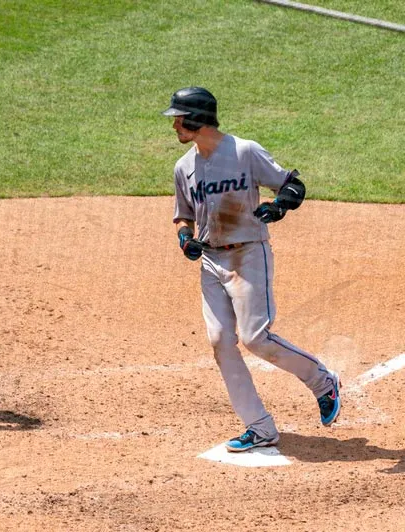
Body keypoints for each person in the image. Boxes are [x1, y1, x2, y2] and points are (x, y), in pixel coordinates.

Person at [162, 87, 342, 452]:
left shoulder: (244, 151)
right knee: (220, 341)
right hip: (211, 262)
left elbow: (292, 186)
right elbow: (183, 216)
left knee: (255, 337)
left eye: (179, 118)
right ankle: (259, 426)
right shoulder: (184, 167)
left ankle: (322, 382)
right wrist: (185, 239)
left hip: (247, 255)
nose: (175, 125)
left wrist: (278, 207)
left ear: (197, 118)